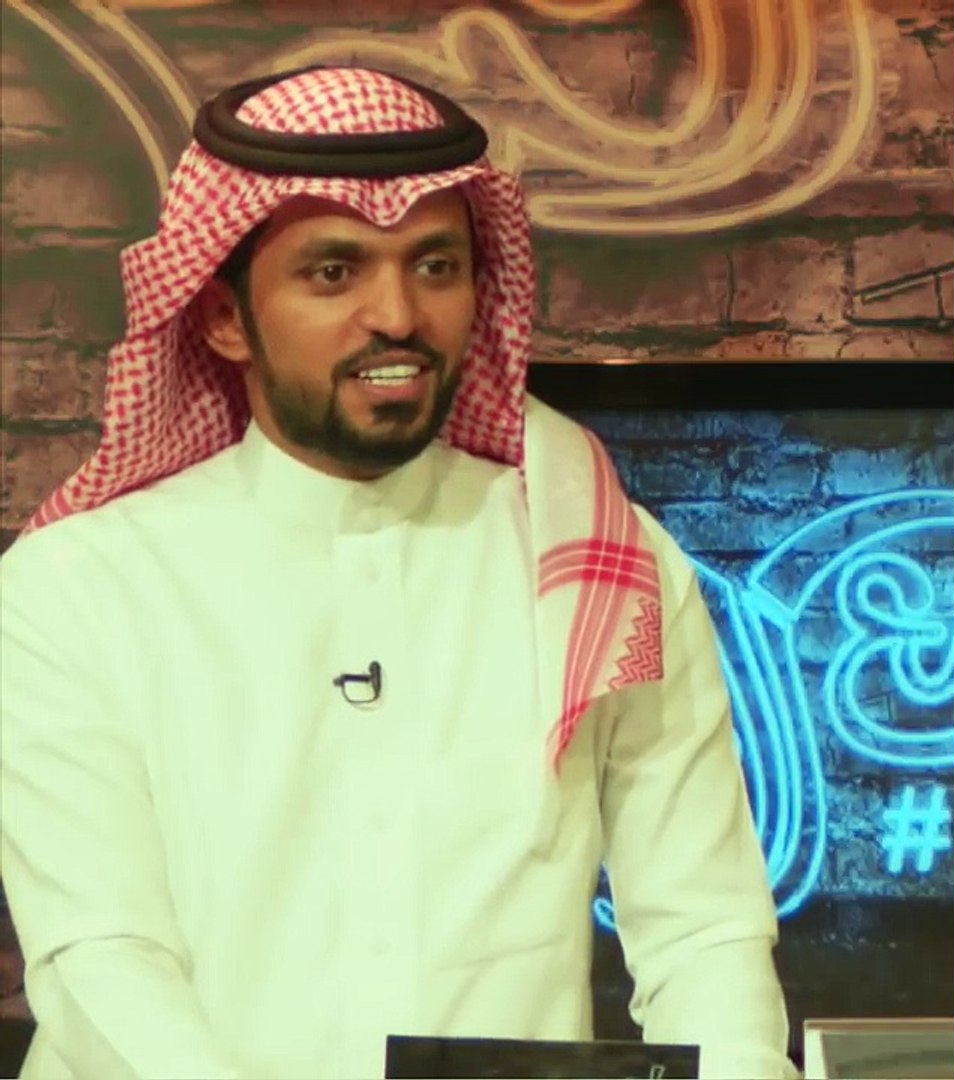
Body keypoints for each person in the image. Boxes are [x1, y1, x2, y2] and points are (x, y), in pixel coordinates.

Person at [0, 66, 795, 1079]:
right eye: (333, 271)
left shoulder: (604, 562)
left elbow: (704, 931)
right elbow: (100, 957)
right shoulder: (77, 587)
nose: (398, 315)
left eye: (434, 266)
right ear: (223, 318)